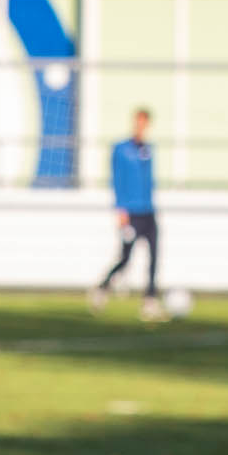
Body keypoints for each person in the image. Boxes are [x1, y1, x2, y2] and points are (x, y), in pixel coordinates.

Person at [91, 107, 162, 321]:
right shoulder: (121, 150)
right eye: (138, 122)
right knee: (125, 258)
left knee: (154, 256)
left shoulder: (148, 150)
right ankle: (102, 287)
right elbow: (116, 180)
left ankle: (149, 300)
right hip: (130, 212)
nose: (141, 126)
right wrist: (120, 209)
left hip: (148, 210)